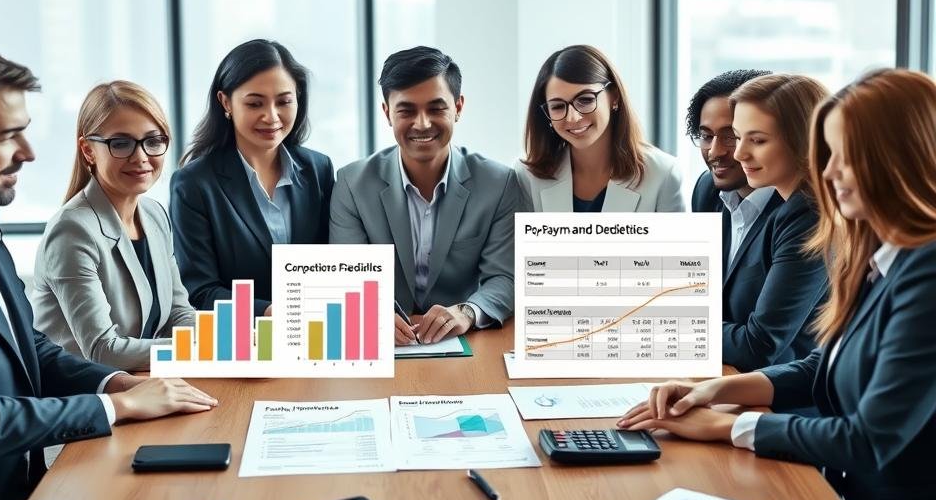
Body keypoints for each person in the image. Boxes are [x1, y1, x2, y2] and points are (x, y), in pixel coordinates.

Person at [618, 68, 936, 500]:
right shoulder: (882, 255)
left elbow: (869, 439)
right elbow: (822, 369)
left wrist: (730, 426)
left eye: (849, 157)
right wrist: (723, 386)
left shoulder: (927, 269)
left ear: (900, 159)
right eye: (831, 156)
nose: (834, 173)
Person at [0, 44, 217, 500]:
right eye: (8, 135)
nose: (28, 152)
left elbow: (31, 348)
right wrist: (119, 407)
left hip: (24, 489)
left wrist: (116, 384)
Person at [330, 46, 520, 346]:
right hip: (380, 343)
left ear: (458, 107)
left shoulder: (499, 183)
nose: (422, 123)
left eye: (436, 108)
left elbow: (505, 277)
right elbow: (346, 275)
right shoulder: (352, 183)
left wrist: (468, 312)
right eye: (406, 110)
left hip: (463, 343)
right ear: (387, 113)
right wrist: (371, 313)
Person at [32, 81, 196, 371]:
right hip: (84, 397)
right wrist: (203, 350)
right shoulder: (71, 230)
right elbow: (103, 351)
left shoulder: (155, 214)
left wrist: (233, 342)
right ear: (88, 150)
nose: (141, 156)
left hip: (138, 384)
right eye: (120, 143)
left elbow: (179, 314)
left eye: (153, 140)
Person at [170, 40, 334, 316]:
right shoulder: (194, 184)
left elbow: (340, 264)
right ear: (226, 102)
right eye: (255, 103)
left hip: (319, 335)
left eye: (284, 101)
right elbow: (200, 290)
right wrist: (269, 312)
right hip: (242, 342)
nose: (271, 117)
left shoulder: (319, 169)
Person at [713, 74, 829, 369]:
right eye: (738, 137)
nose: (739, 154)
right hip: (743, 381)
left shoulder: (811, 214)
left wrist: (676, 327)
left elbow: (760, 345)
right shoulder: (790, 206)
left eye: (758, 140)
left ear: (802, 140)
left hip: (790, 397)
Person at [514, 44, 684, 213]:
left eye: (586, 100)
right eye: (558, 106)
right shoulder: (527, 175)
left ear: (614, 98)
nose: (573, 117)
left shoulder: (663, 175)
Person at [687, 68, 771, 217]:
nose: (715, 152)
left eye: (732, 137)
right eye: (706, 136)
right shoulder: (706, 190)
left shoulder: (796, 207)